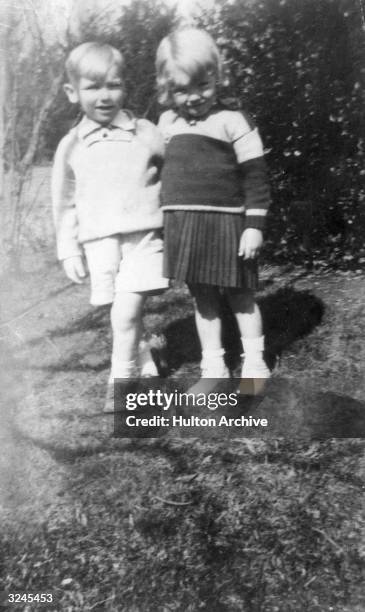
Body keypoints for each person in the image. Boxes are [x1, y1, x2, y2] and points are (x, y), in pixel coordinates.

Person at [52, 42, 169, 411]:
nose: (105, 96)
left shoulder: (146, 133)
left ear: (125, 87)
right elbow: (64, 201)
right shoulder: (70, 146)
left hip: (143, 237)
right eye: (93, 87)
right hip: (98, 242)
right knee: (116, 309)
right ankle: (145, 352)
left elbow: (176, 172)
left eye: (114, 85)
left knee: (127, 311)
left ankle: (122, 383)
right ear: (72, 92)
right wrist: (68, 247)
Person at [155, 28, 271, 392]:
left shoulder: (234, 120)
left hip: (228, 224)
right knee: (202, 297)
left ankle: (255, 364)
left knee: (241, 294)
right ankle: (214, 368)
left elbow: (256, 177)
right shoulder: (165, 124)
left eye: (202, 86)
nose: (193, 98)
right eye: (181, 90)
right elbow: (156, 174)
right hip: (185, 223)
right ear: (166, 87)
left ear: (217, 77)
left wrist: (254, 225)